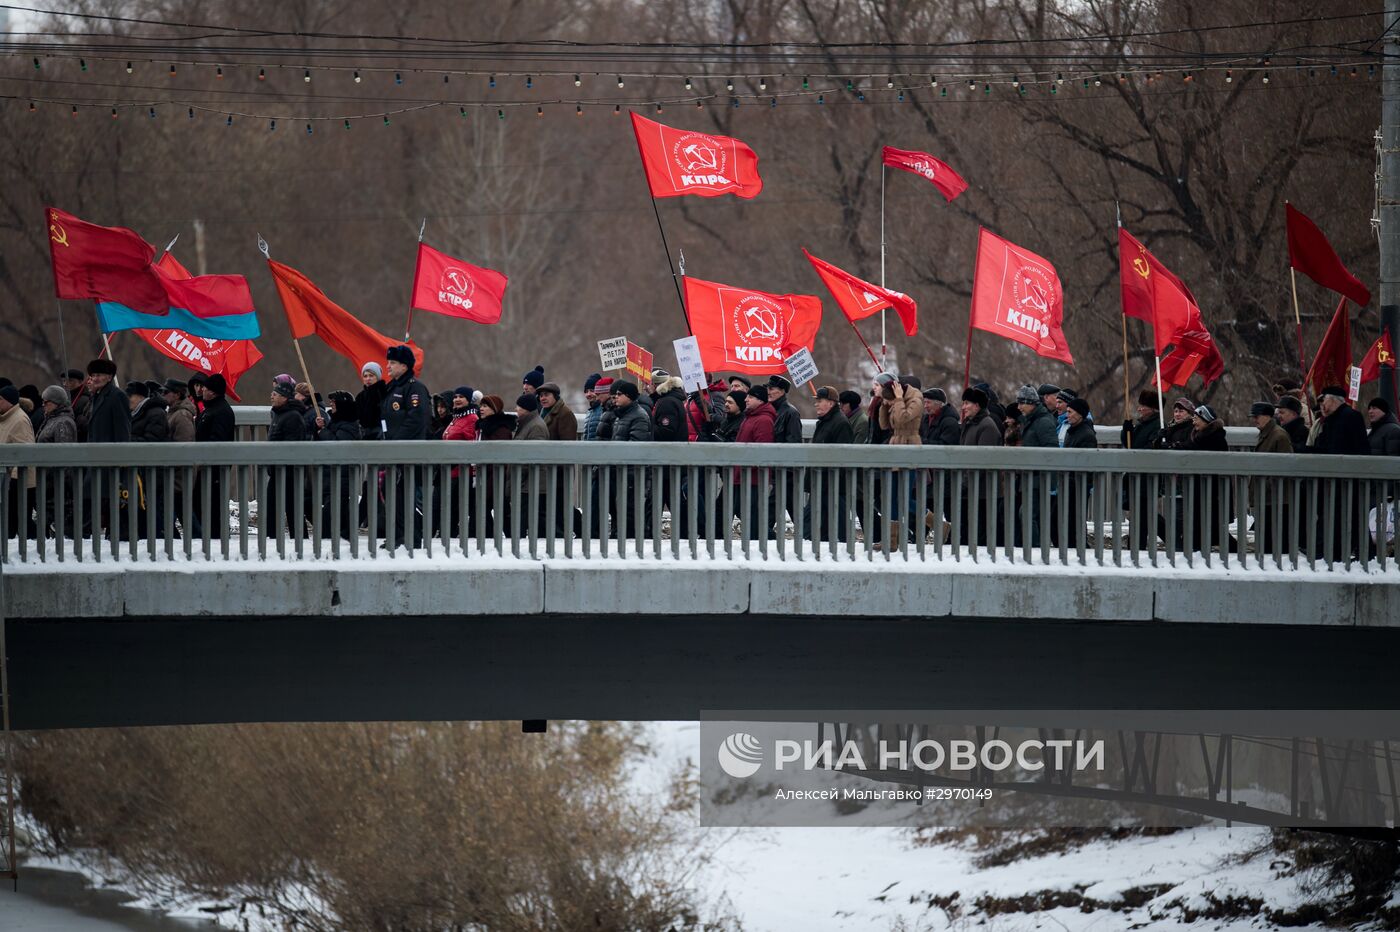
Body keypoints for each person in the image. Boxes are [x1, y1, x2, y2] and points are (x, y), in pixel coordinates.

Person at [381, 344, 431, 550]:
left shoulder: (414, 387)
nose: (388, 366)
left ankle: (413, 536)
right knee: (392, 492)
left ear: (404, 365)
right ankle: (398, 534)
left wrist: (396, 443)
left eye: (392, 363)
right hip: (392, 450)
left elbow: (416, 419)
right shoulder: (392, 387)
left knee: (407, 494)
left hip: (407, 451)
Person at [806, 385, 853, 542]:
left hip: (833, 484)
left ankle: (843, 553)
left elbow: (843, 457)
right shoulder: (825, 422)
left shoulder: (840, 423)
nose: (816, 404)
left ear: (831, 403)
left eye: (820, 401)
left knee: (837, 525)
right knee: (816, 523)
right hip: (822, 482)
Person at [314, 391, 361, 539]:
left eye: (334, 402)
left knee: (332, 513)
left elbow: (337, 445)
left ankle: (332, 539)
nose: (331, 405)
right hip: (333, 476)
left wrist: (323, 432)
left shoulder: (349, 425)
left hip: (342, 476)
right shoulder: (335, 422)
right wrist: (322, 429)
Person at [1310, 387, 1369, 456]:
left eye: (1323, 400)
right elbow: (1324, 447)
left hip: (1348, 463)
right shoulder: (1329, 420)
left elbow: (1359, 445)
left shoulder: (1351, 416)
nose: (1321, 406)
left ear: (1332, 399)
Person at [85, 358, 130, 443]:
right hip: (95, 452)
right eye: (93, 375)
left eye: (98, 375)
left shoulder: (117, 396)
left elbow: (122, 430)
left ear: (109, 377)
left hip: (110, 452)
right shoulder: (96, 396)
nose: (94, 379)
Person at [355, 362, 388, 441]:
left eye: (371, 375)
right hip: (364, 435)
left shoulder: (384, 392)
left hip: (381, 435)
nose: (368, 378)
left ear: (378, 377)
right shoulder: (360, 396)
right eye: (365, 376)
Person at [767, 375, 803, 444]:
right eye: (767, 389)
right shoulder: (768, 411)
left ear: (782, 391)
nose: (768, 392)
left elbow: (794, 442)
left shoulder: (791, 413)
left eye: (771, 389)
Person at [162, 378, 197, 443]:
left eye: (166, 392)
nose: (163, 394)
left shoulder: (182, 415)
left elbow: (185, 444)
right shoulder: (173, 412)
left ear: (177, 395)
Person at [62, 368, 91, 442]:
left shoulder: (85, 399)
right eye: (64, 381)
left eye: (70, 381)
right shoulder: (67, 399)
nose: (65, 384)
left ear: (80, 382)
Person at [581, 373, 604, 441]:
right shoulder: (589, 412)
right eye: (586, 391)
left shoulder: (604, 410)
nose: (588, 394)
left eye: (592, 390)